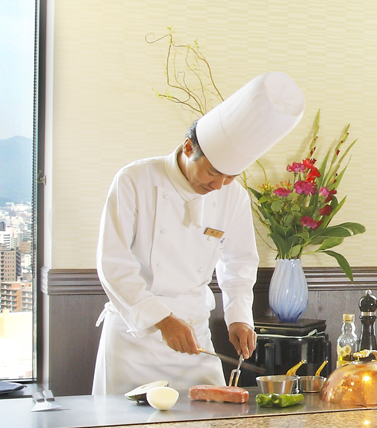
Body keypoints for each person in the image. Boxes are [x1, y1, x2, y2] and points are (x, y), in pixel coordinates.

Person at [92, 72, 305, 394]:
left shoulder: (234, 196)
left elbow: (239, 263)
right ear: (188, 147)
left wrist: (238, 317)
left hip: (194, 334)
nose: (218, 185)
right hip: (135, 338)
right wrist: (162, 320)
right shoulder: (134, 180)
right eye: (213, 172)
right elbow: (114, 264)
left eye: (230, 176)